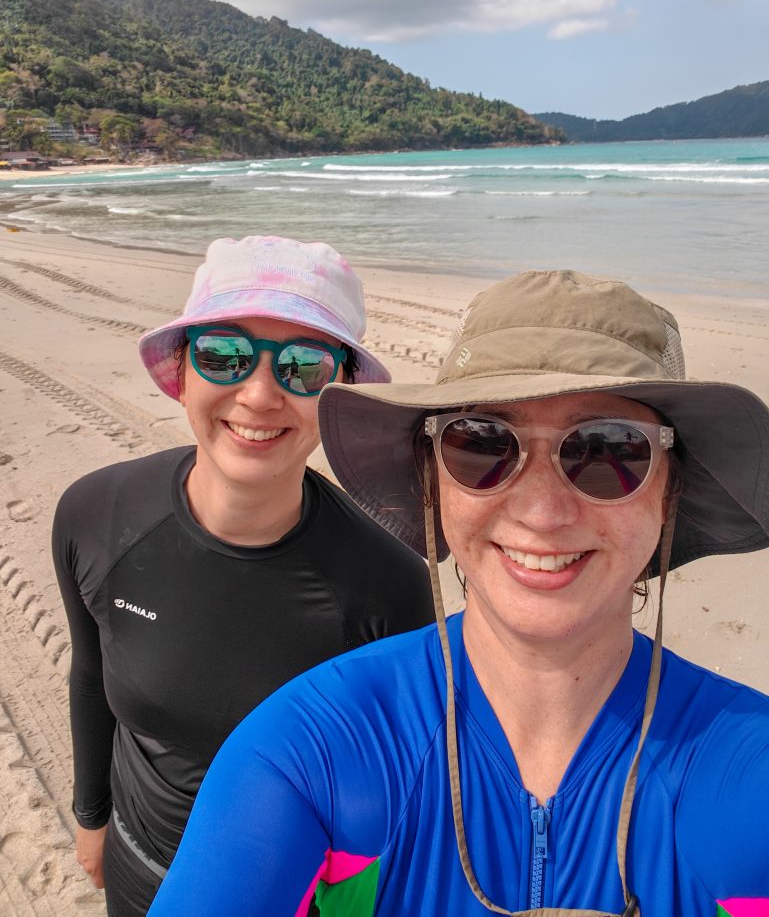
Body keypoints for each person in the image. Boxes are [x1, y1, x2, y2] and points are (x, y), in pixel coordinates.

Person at [146, 269, 769, 917]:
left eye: (608, 449)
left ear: (669, 492)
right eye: (482, 444)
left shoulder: (750, 773)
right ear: (431, 480)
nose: (542, 512)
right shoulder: (312, 752)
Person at [52, 235, 435, 917]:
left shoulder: (390, 583)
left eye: (304, 366)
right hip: (139, 868)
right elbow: (89, 674)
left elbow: (403, 780)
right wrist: (91, 818)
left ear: (340, 392)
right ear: (181, 369)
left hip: (294, 897)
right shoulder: (96, 515)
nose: (259, 395)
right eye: (223, 354)